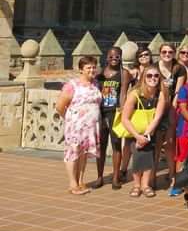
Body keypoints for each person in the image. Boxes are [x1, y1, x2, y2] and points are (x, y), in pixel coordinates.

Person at [56, 56, 102, 195]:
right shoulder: (72, 85)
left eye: (94, 67)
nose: (92, 70)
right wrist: (70, 119)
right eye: (88, 68)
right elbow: (59, 106)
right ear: (81, 70)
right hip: (75, 126)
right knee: (72, 153)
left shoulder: (96, 84)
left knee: (83, 154)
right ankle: (72, 183)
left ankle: (81, 181)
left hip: (91, 127)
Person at [120, 65, 168, 198]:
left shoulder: (161, 94)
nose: (153, 78)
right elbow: (125, 118)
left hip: (149, 131)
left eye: (156, 76)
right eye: (149, 76)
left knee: (148, 157)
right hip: (133, 131)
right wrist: (137, 136)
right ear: (143, 78)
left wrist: (146, 135)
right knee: (137, 157)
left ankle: (145, 184)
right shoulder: (134, 94)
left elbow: (157, 117)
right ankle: (136, 184)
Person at [93, 47, 130, 189]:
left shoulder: (123, 73)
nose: (114, 59)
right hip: (101, 112)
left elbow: (123, 93)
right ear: (106, 57)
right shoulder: (100, 73)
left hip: (114, 112)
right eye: (111, 56)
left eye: (117, 56)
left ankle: (115, 177)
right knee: (100, 146)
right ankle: (99, 177)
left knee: (116, 144)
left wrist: (122, 110)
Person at [156, 43, 186, 195]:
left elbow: (178, 91)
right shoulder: (154, 67)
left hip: (172, 108)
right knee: (156, 143)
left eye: (170, 52)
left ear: (174, 53)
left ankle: (173, 175)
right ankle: (152, 177)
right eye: (164, 51)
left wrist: (171, 110)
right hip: (155, 108)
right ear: (159, 53)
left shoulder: (178, 68)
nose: (167, 54)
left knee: (169, 143)